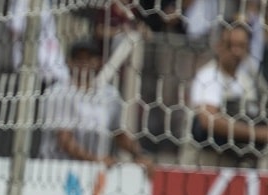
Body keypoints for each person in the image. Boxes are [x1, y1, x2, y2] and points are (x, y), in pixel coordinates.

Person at [38, 38, 155, 176]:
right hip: (58, 170)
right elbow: (64, 140)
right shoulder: (58, 93)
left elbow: (118, 132)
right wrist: (96, 160)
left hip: (95, 172)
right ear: (69, 63)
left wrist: (139, 154)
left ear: (99, 62)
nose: (84, 64)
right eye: (79, 59)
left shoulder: (108, 94)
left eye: (89, 59)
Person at [184, 21, 268, 168]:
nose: (236, 51)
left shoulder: (248, 80)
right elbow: (209, 120)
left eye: (241, 46)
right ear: (219, 45)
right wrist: (258, 134)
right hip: (207, 165)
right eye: (230, 45)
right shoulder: (208, 76)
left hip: (238, 164)